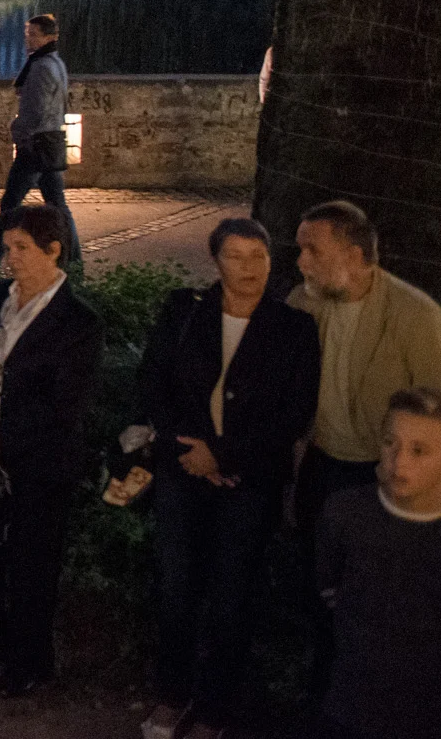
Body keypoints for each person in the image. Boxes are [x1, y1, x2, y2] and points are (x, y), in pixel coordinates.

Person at [135, 218, 320, 739]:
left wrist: (222, 456)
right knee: (176, 588)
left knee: (232, 594)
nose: (249, 267)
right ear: (216, 261)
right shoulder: (185, 311)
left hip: (249, 481)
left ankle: (215, 709)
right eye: (236, 256)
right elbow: (153, 384)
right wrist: (189, 451)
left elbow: (293, 414)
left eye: (259, 256)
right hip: (183, 472)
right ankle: (173, 694)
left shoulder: (293, 328)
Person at [287, 199, 441, 699]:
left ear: (354, 256)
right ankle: (324, 696)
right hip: (321, 467)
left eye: (312, 250)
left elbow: (439, 412)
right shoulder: (304, 304)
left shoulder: (416, 317)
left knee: (383, 599)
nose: (301, 261)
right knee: (319, 586)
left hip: (384, 476)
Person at [0, 204, 104, 697]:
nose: (9, 258)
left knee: (32, 563)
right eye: (7, 246)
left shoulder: (78, 322)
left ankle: (30, 660)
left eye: (21, 248)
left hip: (40, 461)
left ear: (54, 251)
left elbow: (64, 406)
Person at [314, 387, 441, 739]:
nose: (400, 461)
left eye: (419, 451)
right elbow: (327, 581)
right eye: (391, 443)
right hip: (350, 703)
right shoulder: (345, 512)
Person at [0, 14, 78, 269]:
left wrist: (18, 130)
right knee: (57, 205)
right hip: (49, 142)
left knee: (11, 202)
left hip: (34, 145)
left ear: (49, 37)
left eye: (33, 34)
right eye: (27, 34)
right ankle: (74, 260)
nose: (28, 39)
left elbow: (37, 110)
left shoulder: (42, 66)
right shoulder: (56, 63)